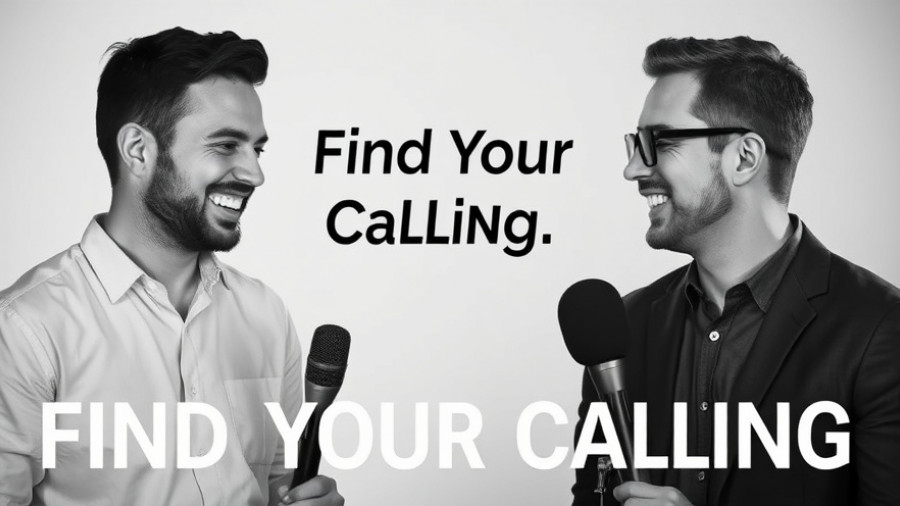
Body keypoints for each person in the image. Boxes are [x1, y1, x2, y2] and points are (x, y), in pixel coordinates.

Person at [0, 27, 343, 506]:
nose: (256, 173)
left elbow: (276, 487)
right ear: (139, 151)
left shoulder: (266, 315)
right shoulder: (25, 330)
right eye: (226, 145)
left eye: (257, 149)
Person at [572, 36, 900, 506]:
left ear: (744, 158)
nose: (632, 169)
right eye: (634, 143)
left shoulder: (879, 330)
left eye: (657, 142)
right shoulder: (623, 329)